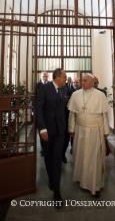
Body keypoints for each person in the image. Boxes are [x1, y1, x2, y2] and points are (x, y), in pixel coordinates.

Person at [68, 74, 110, 198]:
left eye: (85, 81)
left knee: (94, 157)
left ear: (92, 83)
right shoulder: (75, 95)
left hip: (95, 131)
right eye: (82, 80)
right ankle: (82, 180)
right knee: (80, 154)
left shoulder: (100, 95)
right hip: (80, 130)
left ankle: (95, 185)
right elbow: (72, 115)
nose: (82, 82)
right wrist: (71, 129)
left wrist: (106, 131)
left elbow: (104, 116)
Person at [36, 68, 67, 207]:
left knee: (57, 158)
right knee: (48, 157)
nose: (66, 79)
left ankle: (57, 191)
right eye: (64, 77)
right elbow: (39, 109)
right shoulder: (44, 88)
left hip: (60, 131)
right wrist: (42, 129)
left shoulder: (64, 90)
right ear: (57, 77)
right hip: (47, 131)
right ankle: (51, 178)